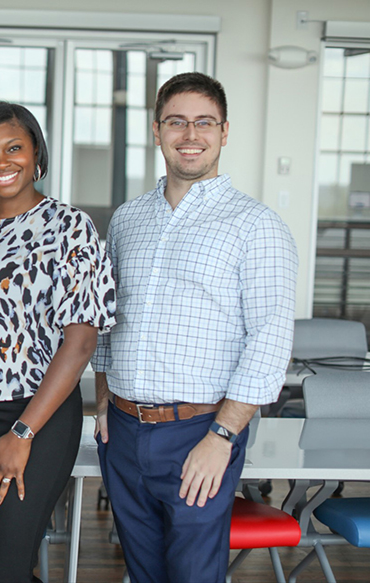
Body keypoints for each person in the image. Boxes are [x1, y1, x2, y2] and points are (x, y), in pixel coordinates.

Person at [91, 72, 299, 583]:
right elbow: (106, 317)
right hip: (122, 429)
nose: (190, 134)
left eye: (204, 122)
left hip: (200, 432)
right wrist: (101, 400)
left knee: (192, 574)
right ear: (156, 129)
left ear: (225, 132)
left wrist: (223, 436)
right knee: (143, 572)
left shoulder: (256, 224)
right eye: (177, 122)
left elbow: (270, 339)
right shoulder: (127, 219)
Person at [0, 101, 116, 583]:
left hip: (37, 414)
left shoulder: (70, 227)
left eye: (14, 147)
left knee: (5, 567)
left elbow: (79, 343)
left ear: (37, 152)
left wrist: (21, 433)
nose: (2, 162)